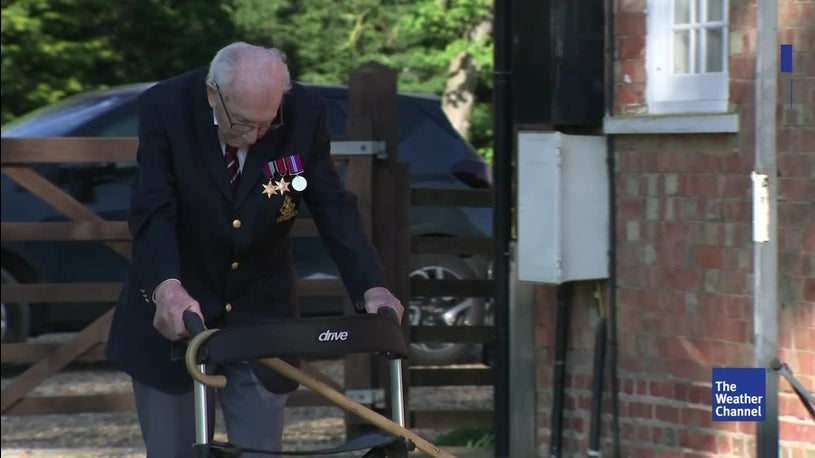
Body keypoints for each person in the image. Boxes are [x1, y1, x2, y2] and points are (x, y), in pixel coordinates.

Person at [106, 41, 404, 457]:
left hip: (261, 312)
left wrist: (372, 285)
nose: (254, 136)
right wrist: (166, 288)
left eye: (266, 125)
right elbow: (154, 210)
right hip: (176, 311)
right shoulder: (166, 107)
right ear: (214, 93)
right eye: (244, 123)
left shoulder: (304, 112)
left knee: (261, 450)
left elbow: (332, 206)